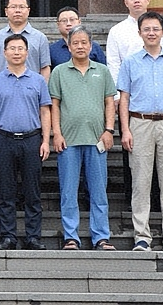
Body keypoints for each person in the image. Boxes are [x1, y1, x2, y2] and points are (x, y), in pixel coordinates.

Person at [117, 11, 163, 253]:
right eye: (146, 29)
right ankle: (142, 237)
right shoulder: (130, 62)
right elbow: (124, 98)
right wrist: (125, 129)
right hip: (140, 124)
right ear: (140, 33)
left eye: (155, 29)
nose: (151, 33)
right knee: (141, 183)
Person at [49, 26, 116, 251]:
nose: (80, 46)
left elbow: (109, 102)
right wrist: (57, 133)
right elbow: (54, 105)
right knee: (69, 192)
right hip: (68, 140)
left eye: (84, 42)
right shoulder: (59, 72)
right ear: (68, 47)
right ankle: (71, 237)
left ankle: (101, 237)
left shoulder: (102, 71)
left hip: (97, 139)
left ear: (91, 45)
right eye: (75, 43)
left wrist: (109, 130)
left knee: (99, 191)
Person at [0, 33, 52, 251]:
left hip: (32, 139)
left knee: (32, 192)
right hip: (4, 140)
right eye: (12, 48)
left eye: (20, 48)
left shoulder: (38, 80)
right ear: (4, 53)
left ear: (27, 52)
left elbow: (45, 111)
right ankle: (8, 236)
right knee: (6, 193)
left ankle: (33, 237)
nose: (16, 52)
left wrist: (45, 140)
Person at [106, 0, 163, 86]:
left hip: (161, 85)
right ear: (126, 3)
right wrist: (118, 91)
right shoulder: (116, 31)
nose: (137, 0)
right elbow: (113, 64)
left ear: (148, 0)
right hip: (129, 86)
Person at [0, 0, 52, 80]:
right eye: (13, 7)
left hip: (31, 87)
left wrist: (41, 87)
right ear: (6, 11)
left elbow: (45, 67)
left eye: (22, 7)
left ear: (28, 11)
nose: (17, 11)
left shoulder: (40, 38)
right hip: (2, 87)